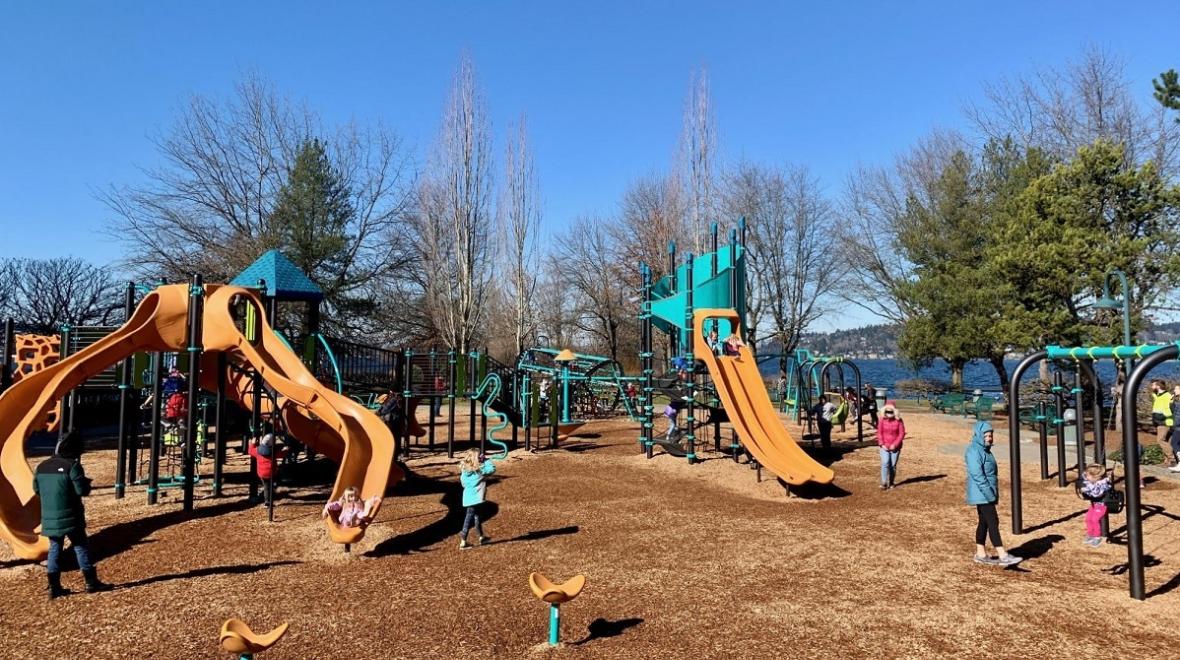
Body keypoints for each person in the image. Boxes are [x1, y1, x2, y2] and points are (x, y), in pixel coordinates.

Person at [34, 431, 111, 598]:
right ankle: (91, 582)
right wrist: (85, 484)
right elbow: (81, 490)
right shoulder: (72, 466)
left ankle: (54, 586)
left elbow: (36, 489)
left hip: (50, 517)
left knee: (55, 548)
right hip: (72, 516)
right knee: (80, 546)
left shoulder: (41, 466)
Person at [965, 421, 1022, 566]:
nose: (989, 438)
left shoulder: (985, 450)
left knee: (984, 522)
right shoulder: (974, 451)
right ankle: (1003, 555)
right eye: (986, 435)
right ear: (979, 435)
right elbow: (978, 475)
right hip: (982, 493)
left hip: (986, 492)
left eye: (990, 435)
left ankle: (980, 554)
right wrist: (989, 494)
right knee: (992, 521)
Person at [458, 449, 496, 549]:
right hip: (477, 499)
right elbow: (492, 469)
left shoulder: (464, 471)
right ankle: (463, 541)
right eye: (479, 456)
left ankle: (481, 537)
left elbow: (463, 484)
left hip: (468, 498)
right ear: (476, 459)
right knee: (469, 518)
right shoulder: (480, 471)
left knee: (477, 516)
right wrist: (486, 460)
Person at [248, 431, 286, 506]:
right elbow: (282, 454)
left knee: (267, 485)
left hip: (261, 473)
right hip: (271, 473)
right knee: (267, 487)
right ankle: (267, 501)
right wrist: (286, 449)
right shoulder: (274, 452)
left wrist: (252, 444)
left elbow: (250, 451)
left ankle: (268, 496)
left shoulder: (257, 450)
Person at [1078, 464, 1111, 547]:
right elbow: (1084, 477)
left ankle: (1097, 537)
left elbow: (1096, 494)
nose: (1086, 477)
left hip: (1101, 505)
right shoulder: (1093, 480)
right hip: (1094, 505)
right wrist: (1086, 477)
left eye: (1088, 475)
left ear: (1096, 477)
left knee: (1094, 519)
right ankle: (1090, 534)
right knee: (1088, 518)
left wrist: (1087, 487)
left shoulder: (1102, 484)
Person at [877, 401, 906, 489]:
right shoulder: (882, 420)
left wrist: (895, 444)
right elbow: (879, 433)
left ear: (895, 411)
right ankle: (884, 482)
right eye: (887, 411)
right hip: (884, 446)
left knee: (892, 465)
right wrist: (882, 444)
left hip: (895, 447)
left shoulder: (899, 420)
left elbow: (901, 434)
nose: (889, 413)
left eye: (891, 411)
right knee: (885, 463)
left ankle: (891, 482)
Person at [1150, 379, 1173, 466]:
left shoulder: (1167, 396)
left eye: (1153, 385)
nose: (1151, 387)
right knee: (1166, 440)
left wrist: (1161, 418)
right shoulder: (1157, 396)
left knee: (1160, 440)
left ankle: (1172, 458)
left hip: (1164, 422)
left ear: (1158, 386)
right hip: (1159, 422)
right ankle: (1167, 461)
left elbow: (1170, 409)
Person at [1170, 385, 1180, 472]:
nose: (1174, 390)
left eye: (1176, 389)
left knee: (1174, 443)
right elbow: (1172, 410)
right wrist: (1171, 400)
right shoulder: (1178, 401)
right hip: (1177, 427)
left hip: (1179, 427)